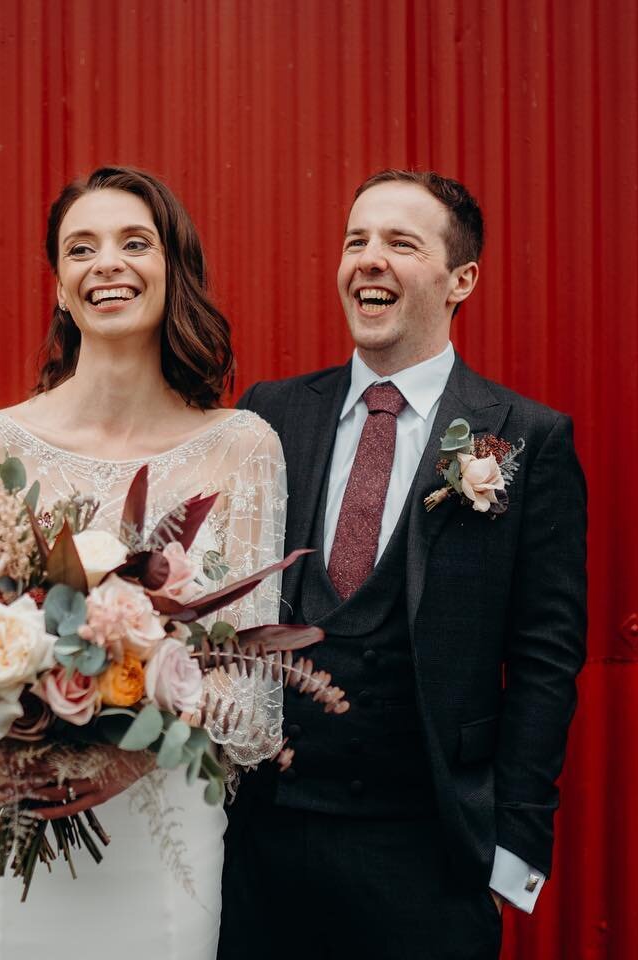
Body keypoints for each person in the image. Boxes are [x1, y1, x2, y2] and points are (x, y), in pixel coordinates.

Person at [0, 166, 287, 959]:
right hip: (8, 815)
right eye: (82, 248)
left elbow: (251, 690)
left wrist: (119, 759)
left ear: (175, 272)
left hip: (161, 827)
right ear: (61, 288)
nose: (108, 262)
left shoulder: (242, 449)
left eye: (135, 243)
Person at [221, 170, 588, 959]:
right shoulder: (269, 415)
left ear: (462, 280)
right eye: (356, 240)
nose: (369, 259)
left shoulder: (527, 436)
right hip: (261, 847)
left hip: (430, 859)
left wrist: (512, 848)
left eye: (399, 242)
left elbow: (545, 655)